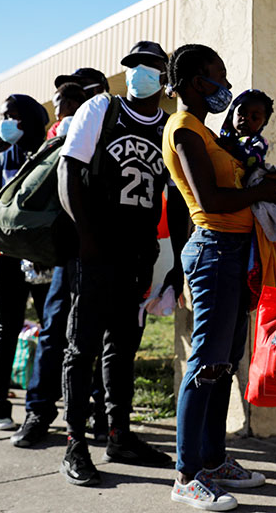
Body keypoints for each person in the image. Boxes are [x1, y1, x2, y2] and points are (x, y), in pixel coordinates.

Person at [164, 44, 276, 511]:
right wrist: (258, 190)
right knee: (204, 364)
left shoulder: (209, 133)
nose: (225, 86)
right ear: (197, 81)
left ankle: (214, 461)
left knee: (224, 361)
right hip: (214, 251)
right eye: (219, 76)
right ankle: (187, 473)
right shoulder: (185, 130)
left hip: (238, 252)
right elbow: (211, 200)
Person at [58, 41, 181, 486]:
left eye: (150, 67)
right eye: (134, 65)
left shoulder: (167, 126)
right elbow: (69, 172)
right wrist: (86, 236)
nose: (140, 73)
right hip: (96, 252)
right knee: (82, 346)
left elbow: (175, 197)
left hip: (137, 254)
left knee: (123, 347)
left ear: (162, 78)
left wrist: (173, 262)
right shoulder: (101, 109)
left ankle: (119, 435)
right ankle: (75, 442)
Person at [11, 72, 106, 449]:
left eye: (81, 96)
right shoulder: (60, 135)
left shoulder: (113, 127)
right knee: (52, 334)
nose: (68, 107)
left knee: (99, 339)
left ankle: (102, 414)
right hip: (68, 251)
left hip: (106, 250)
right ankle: (39, 411)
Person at [0, 94, 49, 428]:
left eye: (12, 114)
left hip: (44, 257)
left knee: (53, 329)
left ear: (31, 117)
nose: (5, 121)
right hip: (4, 258)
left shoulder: (50, 155)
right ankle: (0, 404)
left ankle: (42, 403)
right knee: (6, 326)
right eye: (2, 115)